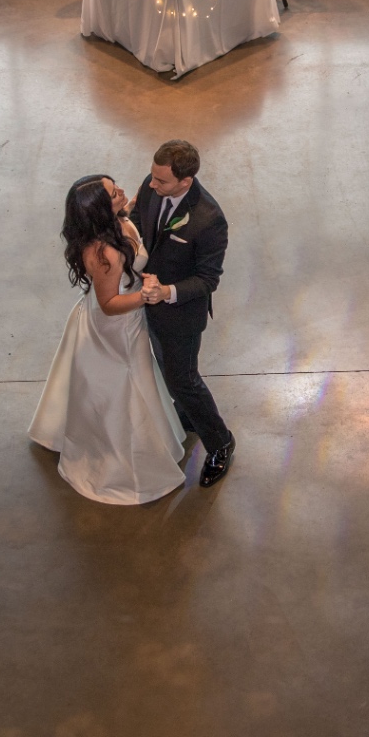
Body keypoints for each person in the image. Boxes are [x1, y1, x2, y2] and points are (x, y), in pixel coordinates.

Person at [29, 174, 187, 504]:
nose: (124, 194)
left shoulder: (114, 223)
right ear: (100, 212)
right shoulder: (105, 255)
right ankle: (124, 461)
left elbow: (129, 208)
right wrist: (148, 295)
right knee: (122, 390)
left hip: (125, 322)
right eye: (116, 195)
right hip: (117, 330)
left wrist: (130, 205)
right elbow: (110, 304)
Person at [129, 140, 235, 488]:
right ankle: (189, 417)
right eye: (152, 177)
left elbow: (207, 280)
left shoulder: (209, 220)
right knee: (164, 370)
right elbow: (137, 220)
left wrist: (166, 293)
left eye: (161, 182)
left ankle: (220, 442)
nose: (151, 185)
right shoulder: (150, 185)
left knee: (183, 380)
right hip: (145, 303)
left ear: (185, 181)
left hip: (180, 316)